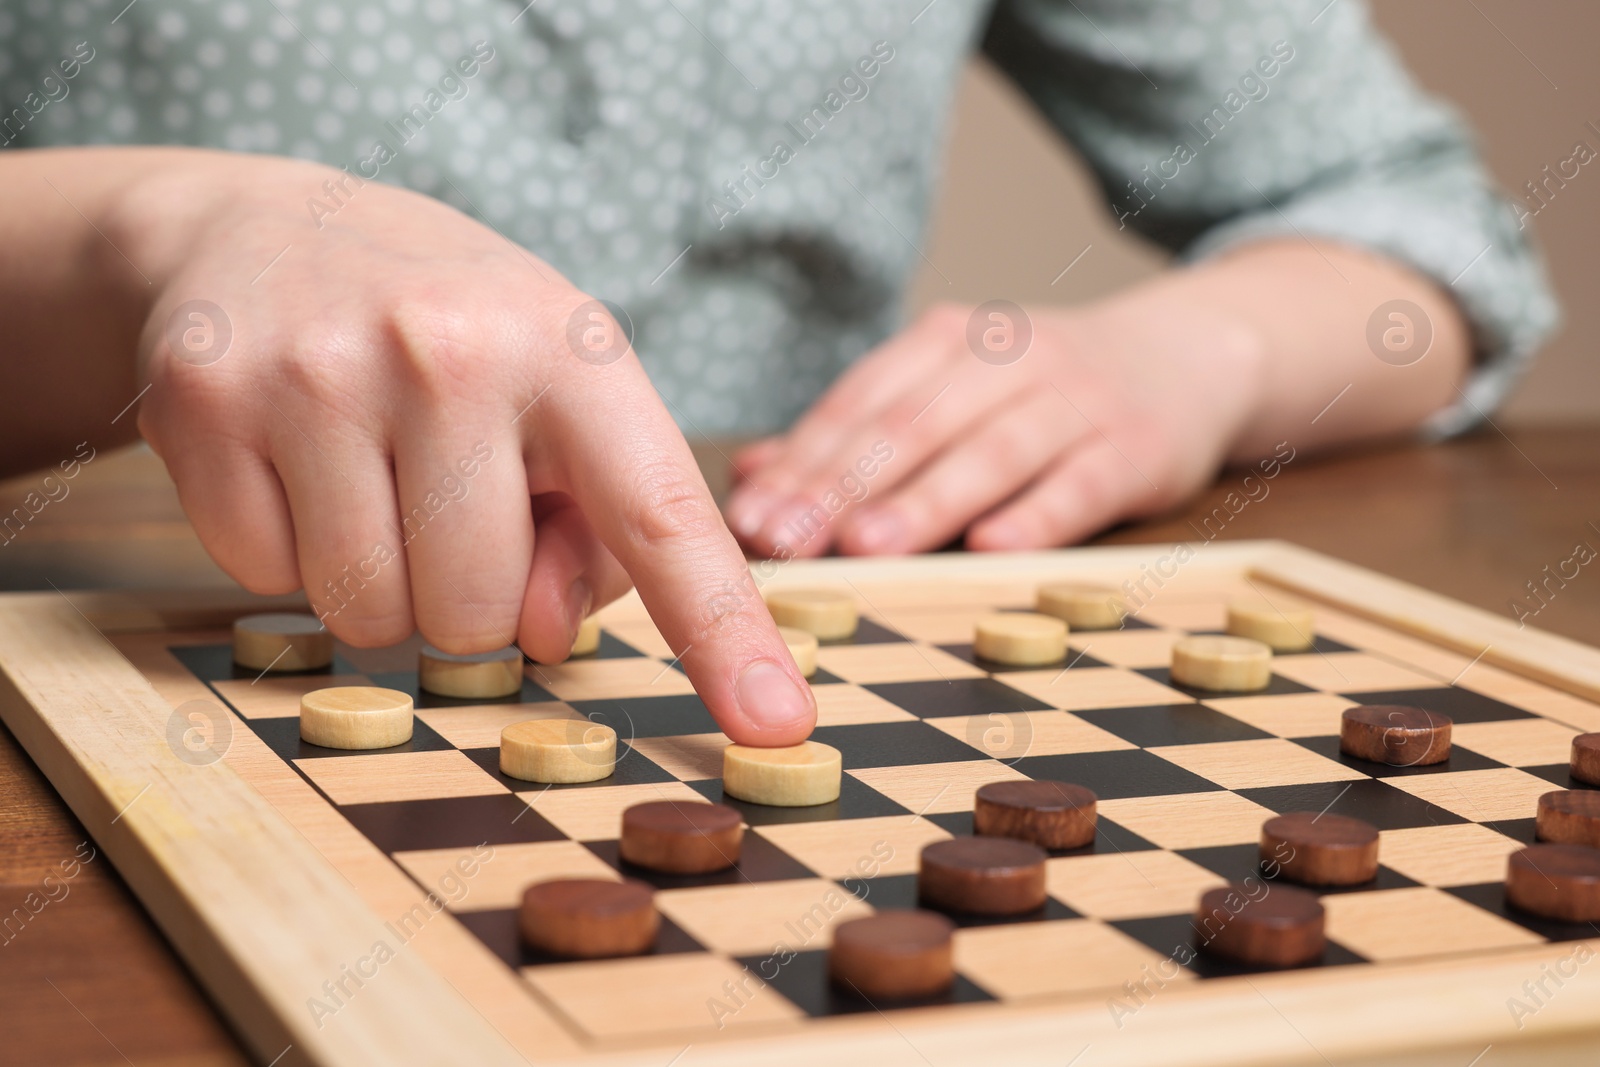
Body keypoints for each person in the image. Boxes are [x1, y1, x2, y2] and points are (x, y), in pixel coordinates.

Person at [0, 1, 1557, 746]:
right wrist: (167, 233)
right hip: (132, 680)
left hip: (833, 646)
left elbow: (1417, 224)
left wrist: (1194, 355)